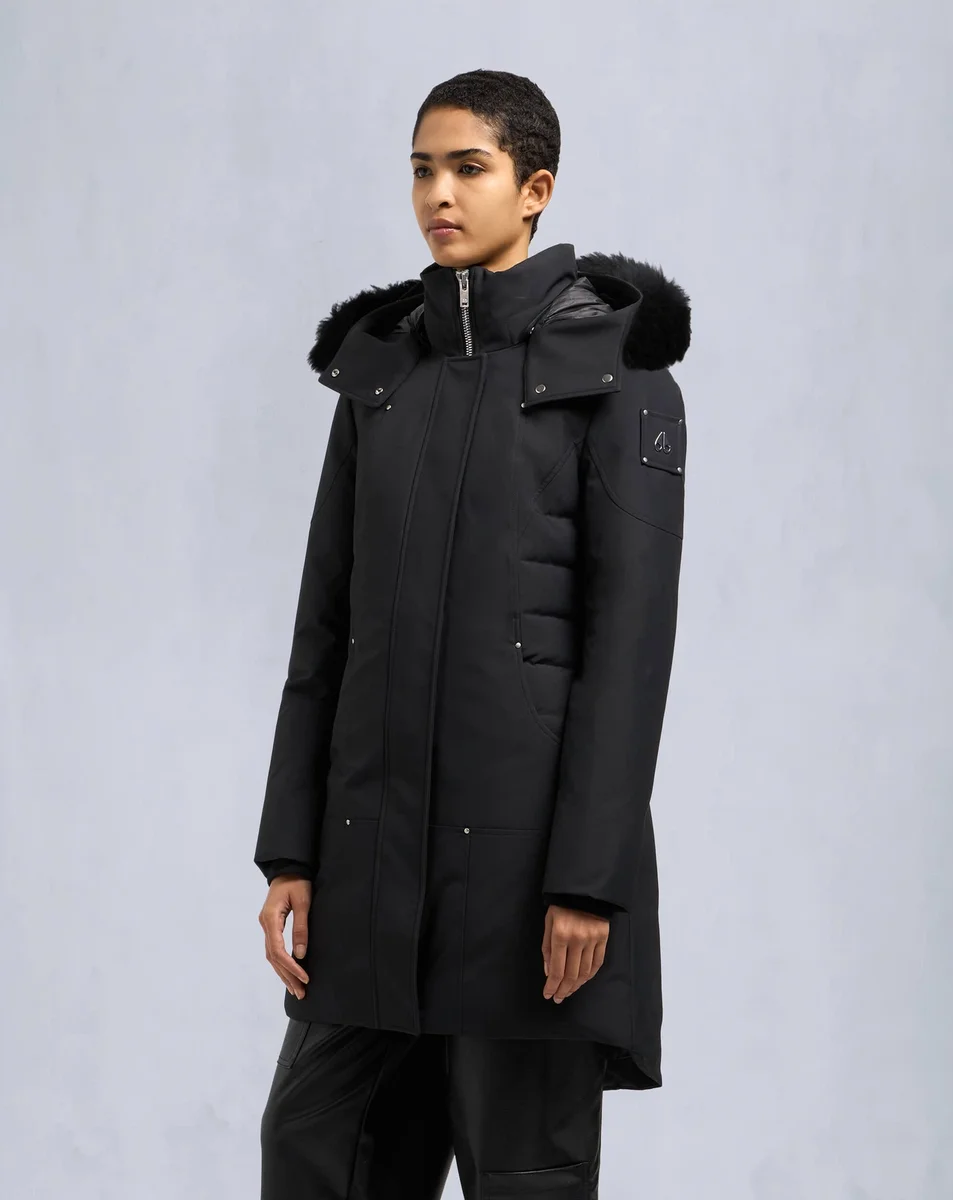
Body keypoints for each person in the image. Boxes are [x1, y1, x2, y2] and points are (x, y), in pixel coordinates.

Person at [253, 67, 691, 1200]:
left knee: (523, 1176)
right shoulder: (381, 373)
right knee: (314, 1151)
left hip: (526, 882)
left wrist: (587, 883)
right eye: (421, 170)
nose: (437, 194)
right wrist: (293, 851)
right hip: (373, 870)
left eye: (468, 168)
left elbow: (629, 651)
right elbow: (324, 628)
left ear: (534, 188)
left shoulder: (616, 373)